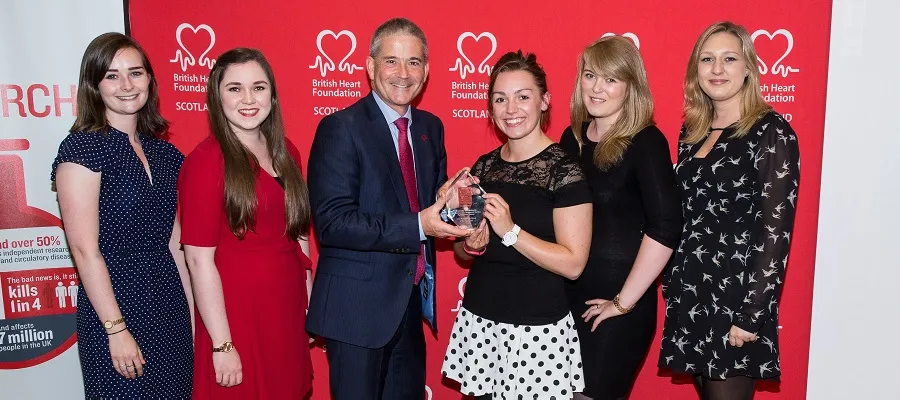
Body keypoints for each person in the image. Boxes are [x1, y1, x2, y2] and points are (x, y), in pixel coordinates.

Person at [306, 18, 471, 399]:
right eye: (391, 61)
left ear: (427, 71)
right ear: (369, 66)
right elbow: (333, 223)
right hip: (356, 312)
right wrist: (420, 224)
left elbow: (433, 208)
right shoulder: (340, 128)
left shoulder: (431, 127)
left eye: (414, 62)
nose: (403, 73)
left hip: (409, 305)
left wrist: (465, 218)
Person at [658, 21, 800, 400]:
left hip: (738, 297)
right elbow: (686, 213)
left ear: (748, 68)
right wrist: (672, 283)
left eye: (729, 58)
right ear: (696, 70)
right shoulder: (692, 131)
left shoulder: (771, 131)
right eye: (707, 59)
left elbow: (776, 230)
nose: (717, 69)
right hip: (693, 291)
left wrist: (752, 314)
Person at [441, 50, 593, 399]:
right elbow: (464, 253)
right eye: (501, 99)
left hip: (537, 331)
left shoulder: (564, 171)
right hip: (480, 322)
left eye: (523, 97)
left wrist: (510, 231)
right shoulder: (481, 168)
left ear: (544, 101)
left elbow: (573, 264)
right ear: (491, 107)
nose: (511, 109)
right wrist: (472, 243)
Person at [52, 32, 193, 399]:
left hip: (168, 303)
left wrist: (192, 317)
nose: (127, 85)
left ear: (150, 79)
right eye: (112, 75)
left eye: (136, 73)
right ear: (94, 85)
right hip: (114, 305)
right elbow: (85, 251)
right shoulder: (83, 148)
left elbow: (176, 243)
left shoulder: (166, 155)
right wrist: (116, 329)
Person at [178, 48, 314, 399]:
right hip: (237, 312)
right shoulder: (206, 163)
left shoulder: (287, 151)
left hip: (286, 305)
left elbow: (298, 232)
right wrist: (223, 345)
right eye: (235, 88)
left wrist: (309, 301)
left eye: (259, 87)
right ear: (216, 96)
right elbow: (198, 260)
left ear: (273, 94)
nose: (249, 99)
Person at [560, 36, 682, 400]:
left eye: (611, 79)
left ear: (631, 87)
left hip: (618, 309)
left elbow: (667, 226)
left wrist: (622, 302)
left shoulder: (646, 142)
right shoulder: (572, 140)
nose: (597, 88)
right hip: (567, 303)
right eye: (590, 75)